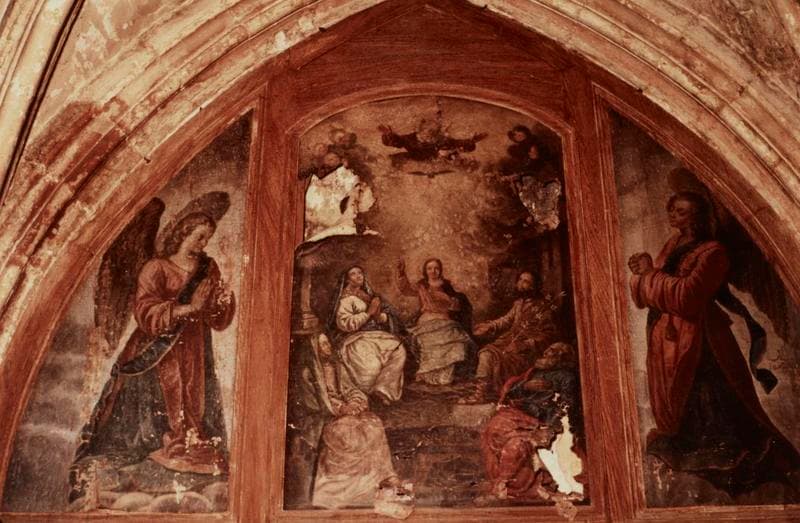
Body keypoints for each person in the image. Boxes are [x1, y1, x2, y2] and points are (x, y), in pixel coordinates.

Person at [628, 191, 800, 495]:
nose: (673, 215)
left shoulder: (713, 252)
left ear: (696, 216)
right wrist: (641, 276)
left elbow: (688, 298)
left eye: (681, 211)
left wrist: (649, 274)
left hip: (700, 340)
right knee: (682, 400)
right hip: (668, 337)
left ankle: (731, 460)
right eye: (672, 210)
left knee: (710, 394)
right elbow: (649, 295)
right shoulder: (673, 244)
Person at [71, 212, 235, 497]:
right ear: (183, 233)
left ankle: (190, 442)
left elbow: (217, 317)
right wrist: (188, 308)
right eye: (199, 236)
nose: (203, 243)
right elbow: (145, 311)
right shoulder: (156, 268)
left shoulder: (208, 269)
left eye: (207, 238)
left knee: (193, 393)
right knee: (165, 394)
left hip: (194, 345)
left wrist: (221, 302)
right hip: (156, 350)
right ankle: (160, 449)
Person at [480, 343, 583, 502]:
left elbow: (567, 404)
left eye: (553, 351)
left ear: (561, 358)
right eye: (548, 349)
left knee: (516, 443)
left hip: (541, 418)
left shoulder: (566, 376)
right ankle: (500, 480)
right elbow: (512, 393)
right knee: (493, 429)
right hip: (520, 414)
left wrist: (548, 424)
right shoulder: (535, 371)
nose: (546, 352)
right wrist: (526, 386)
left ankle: (509, 483)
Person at [309, 333, 402, 508]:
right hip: (329, 418)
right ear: (315, 349)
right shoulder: (309, 372)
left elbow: (351, 388)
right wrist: (341, 408)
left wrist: (356, 402)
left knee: (373, 424)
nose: (328, 348)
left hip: (348, 412)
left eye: (328, 343)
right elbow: (315, 401)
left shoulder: (337, 366)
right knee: (348, 432)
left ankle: (382, 477)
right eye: (323, 345)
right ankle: (347, 491)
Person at [462, 271, 559, 404]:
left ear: (534, 286)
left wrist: (524, 345)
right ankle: (480, 393)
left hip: (526, 352)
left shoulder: (542, 308)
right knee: (486, 353)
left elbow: (548, 335)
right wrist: (490, 326)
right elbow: (506, 320)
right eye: (520, 280)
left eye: (526, 281)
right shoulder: (518, 303)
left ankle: (493, 393)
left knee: (494, 358)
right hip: (508, 341)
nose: (521, 284)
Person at [331, 266, 407, 405]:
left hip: (377, 335)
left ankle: (383, 390)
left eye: (360, 273)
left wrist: (380, 316)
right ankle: (368, 394)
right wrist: (368, 313)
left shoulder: (369, 295)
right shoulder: (345, 299)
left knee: (398, 349)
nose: (358, 276)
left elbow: (383, 316)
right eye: (353, 274)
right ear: (347, 279)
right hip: (356, 337)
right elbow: (346, 324)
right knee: (371, 366)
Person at [395, 258, 476, 385]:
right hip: (427, 321)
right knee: (430, 342)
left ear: (440, 270)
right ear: (425, 271)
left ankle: (445, 375)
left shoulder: (447, 287)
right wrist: (401, 273)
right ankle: (428, 374)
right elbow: (405, 289)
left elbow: (456, 306)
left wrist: (453, 303)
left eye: (436, 268)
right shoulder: (421, 286)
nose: (433, 271)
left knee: (455, 342)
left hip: (446, 321)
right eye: (429, 268)